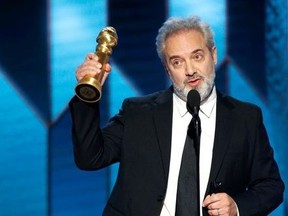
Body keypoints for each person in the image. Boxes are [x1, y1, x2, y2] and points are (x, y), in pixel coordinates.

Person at [69, 16, 284, 216]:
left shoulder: (245, 118)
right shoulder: (139, 113)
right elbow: (90, 158)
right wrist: (87, 96)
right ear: (167, 69)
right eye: (177, 62)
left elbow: (271, 186)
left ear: (214, 54)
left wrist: (236, 207)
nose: (190, 70)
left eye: (197, 56)